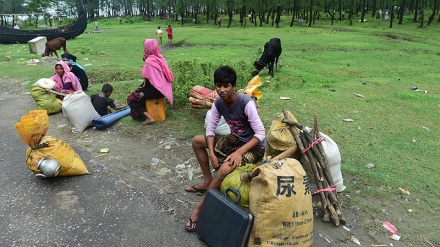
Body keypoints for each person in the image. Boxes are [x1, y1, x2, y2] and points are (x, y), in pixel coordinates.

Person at [184, 65, 266, 232]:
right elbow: (210, 129)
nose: (221, 90)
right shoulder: (219, 104)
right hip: (236, 140)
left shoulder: (246, 103)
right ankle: (208, 182)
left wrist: (238, 152)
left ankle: (199, 207)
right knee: (197, 141)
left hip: (254, 146)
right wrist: (212, 154)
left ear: (233, 86)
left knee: (224, 169)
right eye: (218, 85)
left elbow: (261, 133)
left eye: (226, 86)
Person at [127, 39, 174, 125]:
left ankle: (149, 118)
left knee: (131, 99)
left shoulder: (149, 62)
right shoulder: (160, 58)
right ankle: (149, 112)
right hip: (163, 90)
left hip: (156, 90)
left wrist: (141, 88)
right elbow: (155, 78)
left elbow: (149, 80)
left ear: (147, 48)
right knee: (139, 92)